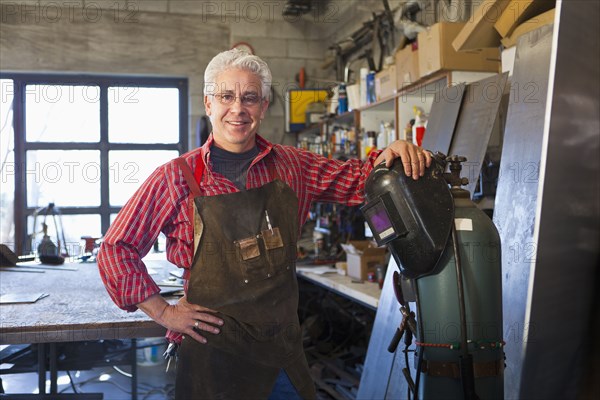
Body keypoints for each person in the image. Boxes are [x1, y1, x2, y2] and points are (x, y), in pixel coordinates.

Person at [97, 49, 432, 400]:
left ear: (264, 105)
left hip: (282, 354)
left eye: (250, 98)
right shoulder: (175, 177)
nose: (238, 108)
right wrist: (163, 311)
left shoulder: (293, 166)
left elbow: (362, 180)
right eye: (226, 96)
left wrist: (392, 152)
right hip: (212, 355)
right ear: (209, 104)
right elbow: (115, 248)